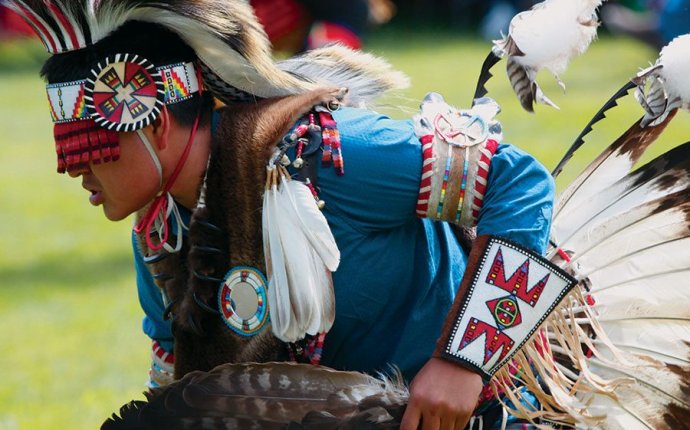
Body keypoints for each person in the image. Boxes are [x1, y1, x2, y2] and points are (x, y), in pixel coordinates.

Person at [6, 1, 574, 428]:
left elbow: (517, 182)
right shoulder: (161, 237)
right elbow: (186, 386)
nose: (74, 172)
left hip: (500, 404)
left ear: (155, 126)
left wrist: (464, 363)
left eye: (90, 150)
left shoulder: (326, 156)